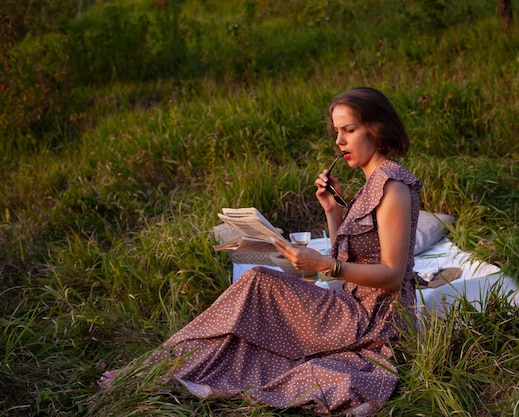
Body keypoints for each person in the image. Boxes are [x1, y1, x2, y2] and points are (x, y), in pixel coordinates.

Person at [99, 87, 422, 416]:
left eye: (349, 131)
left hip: (372, 320)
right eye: (337, 131)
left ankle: (157, 367)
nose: (339, 142)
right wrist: (332, 211)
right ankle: (163, 367)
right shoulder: (374, 182)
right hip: (351, 306)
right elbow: (353, 254)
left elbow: (393, 275)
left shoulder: (392, 187)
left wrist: (325, 265)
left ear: (378, 129)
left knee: (257, 283)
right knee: (253, 302)